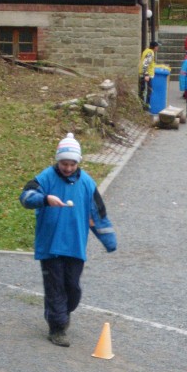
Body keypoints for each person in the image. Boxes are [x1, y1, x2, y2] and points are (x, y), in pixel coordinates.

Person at [19, 133, 117, 347]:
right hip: (50, 246)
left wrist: (108, 240)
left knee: (72, 289)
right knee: (55, 288)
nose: (68, 168)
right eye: (64, 163)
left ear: (78, 162)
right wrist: (44, 199)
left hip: (75, 246)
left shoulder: (87, 184)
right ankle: (57, 328)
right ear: (58, 160)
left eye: (72, 164)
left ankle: (62, 312)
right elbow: (25, 197)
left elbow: (97, 214)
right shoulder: (46, 177)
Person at [138, 40, 160, 109]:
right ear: (154, 47)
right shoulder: (150, 53)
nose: (158, 48)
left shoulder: (146, 51)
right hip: (146, 76)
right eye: (157, 47)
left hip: (143, 74)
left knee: (143, 91)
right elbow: (145, 64)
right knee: (147, 92)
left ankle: (143, 107)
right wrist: (146, 75)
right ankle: (145, 107)